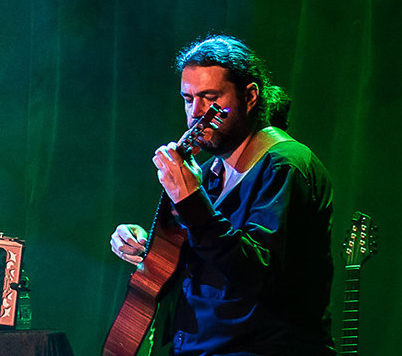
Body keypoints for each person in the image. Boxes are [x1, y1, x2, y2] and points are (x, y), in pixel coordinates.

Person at [108, 35, 335, 355]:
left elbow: (258, 275)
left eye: (209, 98)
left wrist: (191, 202)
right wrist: (152, 247)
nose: (196, 112)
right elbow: (209, 258)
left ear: (250, 96)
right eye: (188, 99)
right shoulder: (210, 173)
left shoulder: (285, 166)